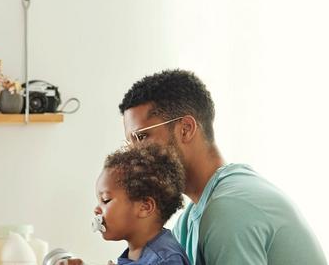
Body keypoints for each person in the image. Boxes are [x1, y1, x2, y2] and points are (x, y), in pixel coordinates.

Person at [119, 69, 326, 265]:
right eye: (130, 143)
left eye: (141, 137)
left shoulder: (230, 208)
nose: (133, 154)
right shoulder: (190, 220)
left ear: (185, 129)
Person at [65, 143, 190, 265]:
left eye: (106, 200)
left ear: (145, 207)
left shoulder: (164, 259)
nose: (96, 210)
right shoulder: (136, 253)